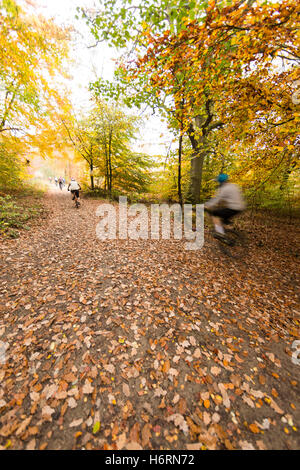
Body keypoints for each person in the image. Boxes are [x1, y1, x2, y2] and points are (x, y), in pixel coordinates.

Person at [205, 173, 246, 238]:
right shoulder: (234, 186)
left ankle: (220, 233)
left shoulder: (224, 189)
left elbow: (216, 199)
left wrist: (206, 205)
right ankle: (226, 224)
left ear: (220, 182)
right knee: (222, 216)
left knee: (214, 214)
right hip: (240, 208)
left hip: (233, 208)